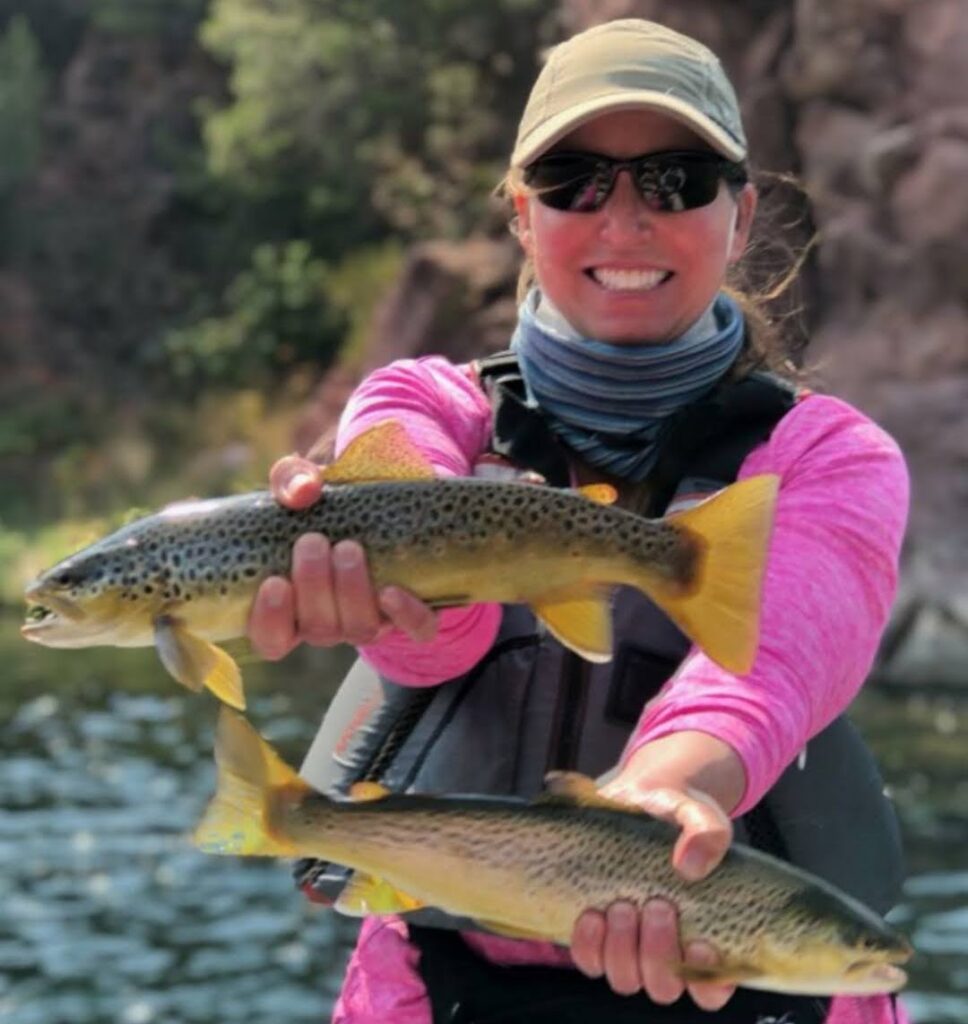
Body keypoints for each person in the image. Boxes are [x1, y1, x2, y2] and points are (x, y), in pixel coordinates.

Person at [247, 18, 910, 1024]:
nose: (624, 220)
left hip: (755, 972)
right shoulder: (417, 408)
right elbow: (440, 645)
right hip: (432, 989)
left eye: (676, 180)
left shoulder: (832, 458)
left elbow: (765, 668)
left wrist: (658, 804)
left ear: (740, 217)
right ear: (522, 215)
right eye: (574, 182)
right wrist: (384, 587)